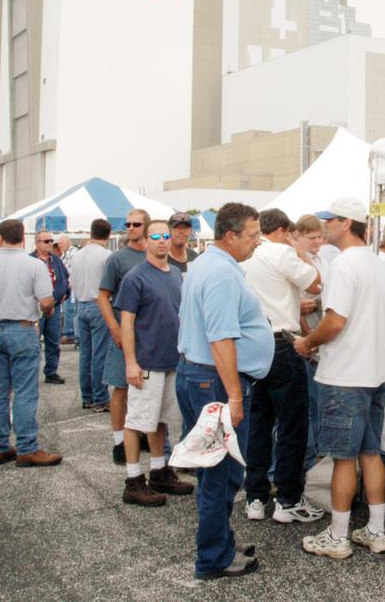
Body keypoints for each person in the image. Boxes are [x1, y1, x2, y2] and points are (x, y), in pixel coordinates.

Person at [294, 197, 385, 560]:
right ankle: (377, 530)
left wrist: (307, 341)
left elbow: (335, 320)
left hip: (346, 374)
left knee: (343, 457)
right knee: (370, 453)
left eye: (330, 220)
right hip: (376, 370)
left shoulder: (343, 264)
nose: (324, 226)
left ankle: (339, 536)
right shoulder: (379, 263)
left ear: (346, 223)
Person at [176, 202, 268, 580]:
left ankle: (220, 543)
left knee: (214, 472)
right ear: (230, 236)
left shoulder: (207, 264)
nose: (258, 241)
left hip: (202, 376)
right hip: (213, 380)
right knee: (221, 474)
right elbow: (220, 339)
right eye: (252, 235)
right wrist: (235, 396)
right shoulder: (220, 273)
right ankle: (213, 557)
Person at [240, 209, 324, 524]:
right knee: (292, 425)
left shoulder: (247, 255)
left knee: (259, 423)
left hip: (253, 342)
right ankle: (288, 498)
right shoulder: (281, 252)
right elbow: (315, 283)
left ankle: (255, 496)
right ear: (284, 230)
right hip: (280, 342)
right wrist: (298, 251)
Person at [115, 220, 194, 507]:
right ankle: (133, 480)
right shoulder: (135, 278)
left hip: (171, 360)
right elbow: (127, 322)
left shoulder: (174, 274)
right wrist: (130, 362)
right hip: (146, 362)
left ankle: (159, 471)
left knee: (159, 420)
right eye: (156, 236)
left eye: (165, 235)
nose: (162, 240)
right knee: (136, 421)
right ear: (145, 241)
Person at [0, 218, 62, 468]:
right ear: (23, 238)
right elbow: (47, 301)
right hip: (22, 328)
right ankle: (27, 446)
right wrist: (44, 311)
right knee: (25, 390)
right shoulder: (34, 265)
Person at [99, 210, 149, 464]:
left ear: (146, 227)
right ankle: (119, 441)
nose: (130, 228)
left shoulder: (155, 255)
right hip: (124, 334)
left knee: (148, 387)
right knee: (120, 387)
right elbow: (102, 296)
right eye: (127, 224)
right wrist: (114, 328)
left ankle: (144, 434)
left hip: (150, 336)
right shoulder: (117, 259)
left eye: (136, 224)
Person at [292, 214, 330, 472]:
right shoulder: (296, 260)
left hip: (320, 334)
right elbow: (298, 300)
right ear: (299, 236)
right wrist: (308, 339)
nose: (317, 241)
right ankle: (308, 460)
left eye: (319, 237)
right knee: (308, 406)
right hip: (307, 337)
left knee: (318, 404)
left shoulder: (323, 259)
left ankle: (316, 455)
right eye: (312, 237)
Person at [70, 219, 113, 412]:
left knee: (85, 354)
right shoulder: (106, 255)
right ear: (108, 235)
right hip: (99, 305)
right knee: (100, 354)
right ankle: (100, 397)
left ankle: (87, 396)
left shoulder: (77, 255)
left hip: (81, 304)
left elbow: (72, 282)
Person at [33, 231, 69, 385]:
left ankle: (51, 372)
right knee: (33, 342)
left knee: (54, 341)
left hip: (54, 306)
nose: (49, 244)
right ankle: (31, 373)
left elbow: (64, 279)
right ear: (37, 243)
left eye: (50, 241)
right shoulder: (30, 261)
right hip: (36, 308)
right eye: (46, 241)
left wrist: (58, 298)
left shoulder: (56, 261)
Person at [56, 234, 78, 343]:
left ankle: (70, 334)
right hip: (66, 286)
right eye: (59, 244)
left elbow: (73, 269)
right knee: (67, 310)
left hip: (72, 287)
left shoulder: (73, 253)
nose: (59, 245)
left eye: (61, 243)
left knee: (69, 310)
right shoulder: (64, 254)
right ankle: (69, 332)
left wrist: (70, 282)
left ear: (68, 243)